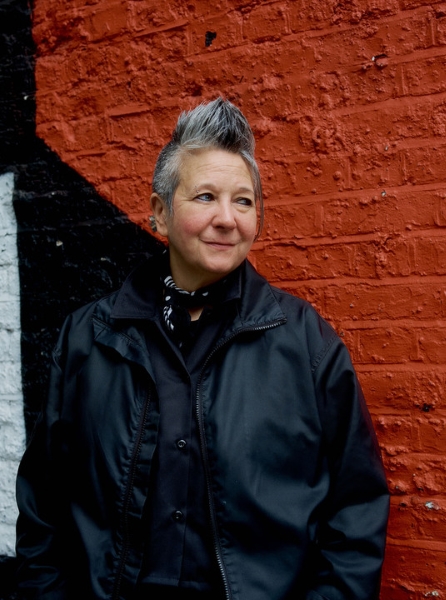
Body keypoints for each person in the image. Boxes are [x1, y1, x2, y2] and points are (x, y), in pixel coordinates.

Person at [16, 98, 389, 600]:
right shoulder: (87, 339)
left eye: (243, 201)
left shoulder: (306, 343)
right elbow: (44, 506)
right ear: (159, 213)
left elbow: (356, 509)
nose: (227, 219)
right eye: (205, 196)